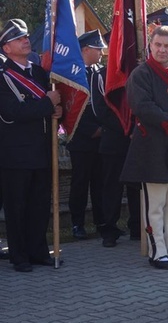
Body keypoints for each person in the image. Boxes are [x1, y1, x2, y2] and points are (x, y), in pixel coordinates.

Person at [120, 25, 168, 269]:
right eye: (158, 45)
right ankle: (157, 249)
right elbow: (143, 106)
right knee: (156, 204)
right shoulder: (141, 74)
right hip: (153, 148)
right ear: (150, 45)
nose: (162, 50)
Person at [0, 19, 62, 272]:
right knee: (17, 206)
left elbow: (51, 103)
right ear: (6, 48)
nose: (26, 40)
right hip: (15, 154)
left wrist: (56, 108)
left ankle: (38, 251)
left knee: (39, 204)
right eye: (18, 38)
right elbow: (12, 112)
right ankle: (20, 256)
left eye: (26, 36)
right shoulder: (4, 78)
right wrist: (48, 104)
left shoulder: (39, 72)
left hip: (41, 149)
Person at [90, 33, 141, 248]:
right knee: (111, 186)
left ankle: (137, 226)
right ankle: (109, 230)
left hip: (136, 140)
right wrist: (125, 127)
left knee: (136, 186)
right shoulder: (101, 75)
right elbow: (100, 110)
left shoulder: (138, 73)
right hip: (114, 140)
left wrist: (135, 128)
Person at [67, 31, 106, 240]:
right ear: (85, 49)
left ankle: (101, 222)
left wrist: (104, 128)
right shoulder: (73, 73)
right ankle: (77, 224)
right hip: (81, 139)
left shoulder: (99, 72)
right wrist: (91, 130)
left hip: (102, 138)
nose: (101, 52)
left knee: (100, 183)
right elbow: (70, 108)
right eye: (97, 48)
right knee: (80, 183)